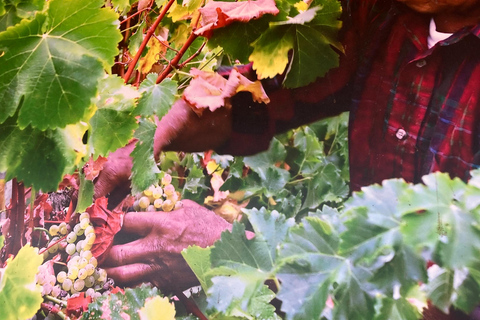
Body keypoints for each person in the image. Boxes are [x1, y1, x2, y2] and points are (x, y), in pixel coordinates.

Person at [98, 0, 480, 303]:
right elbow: (294, 84)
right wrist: (187, 113)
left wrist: (244, 256)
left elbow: (449, 291)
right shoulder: (386, 11)